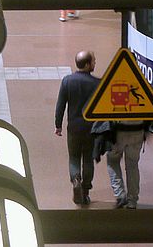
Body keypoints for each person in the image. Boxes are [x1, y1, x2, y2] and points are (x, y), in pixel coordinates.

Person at [54, 51, 101, 206]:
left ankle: (76, 180)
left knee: (74, 157)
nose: (95, 63)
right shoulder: (97, 83)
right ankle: (85, 191)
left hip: (73, 127)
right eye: (93, 61)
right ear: (87, 64)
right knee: (88, 159)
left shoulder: (67, 81)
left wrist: (58, 125)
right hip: (91, 128)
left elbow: (61, 105)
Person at [106, 119, 147, 209]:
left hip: (118, 130)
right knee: (132, 165)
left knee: (112, 161)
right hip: (138, 129)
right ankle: (132, 200)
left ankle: (120, 194)